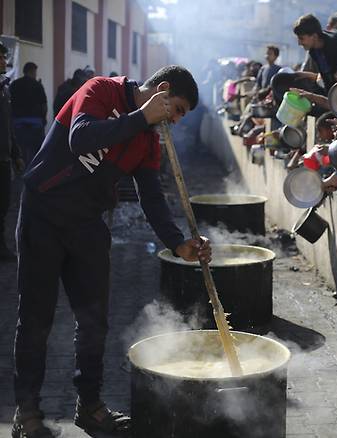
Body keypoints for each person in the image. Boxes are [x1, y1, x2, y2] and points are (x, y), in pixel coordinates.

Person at [12, 65, 211, 438]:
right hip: (43, 213)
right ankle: (28, 413)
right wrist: (140, 117)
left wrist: (177, 242)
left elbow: (151, 197)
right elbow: (80, 139)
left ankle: (89, 406)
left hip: (86, 225)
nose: (177, 120)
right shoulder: (101, 90)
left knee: (94, 321)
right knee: (35, 321)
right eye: (178, 109)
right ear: (163, 91)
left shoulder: (148, 141)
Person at [0, 43, 23, 262]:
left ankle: (1, 246)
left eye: (5, 57)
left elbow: (8, 125)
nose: (4, 61)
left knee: (4, 204)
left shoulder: (5, 89)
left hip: (4, 158)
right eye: (0, 57)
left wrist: (16, 154)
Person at [10, 62, 47, 166]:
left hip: (18, 124)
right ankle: (33, 174)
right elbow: (44, 105)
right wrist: (43, 119)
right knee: (36, 153)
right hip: (36, 124)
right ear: (32, 71)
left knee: (20, 151)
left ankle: (20, 173)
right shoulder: (38, 85)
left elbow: (10, 103)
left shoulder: (15, 84)